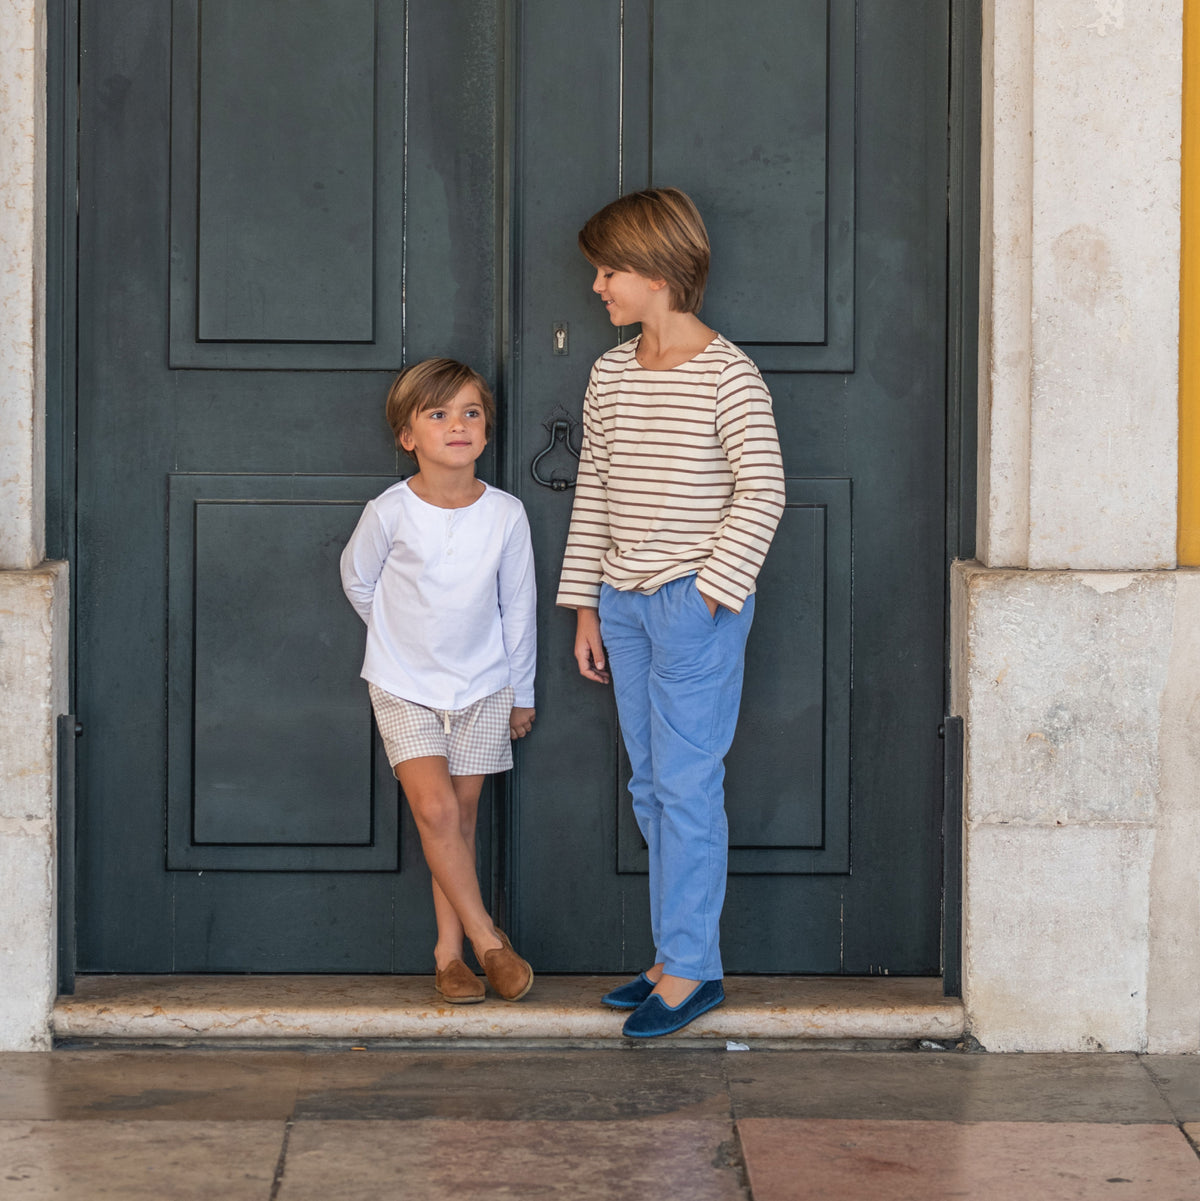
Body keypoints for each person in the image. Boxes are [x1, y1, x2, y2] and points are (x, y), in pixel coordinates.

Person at [557, 188, 786, 1037]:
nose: (598, 288)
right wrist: (585, 606)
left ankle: (693, 970)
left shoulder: (729, 375)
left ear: (656, 274)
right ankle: (671, 954)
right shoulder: (611, 372)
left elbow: (763, 489)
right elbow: (595, 495)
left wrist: (710, 591)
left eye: (609, 271)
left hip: (693, 605)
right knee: (652, 784)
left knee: (688, 786)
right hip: (622, 604)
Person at [341, 358, 536, 1004]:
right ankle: (487, 941)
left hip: (483, 685)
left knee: (461, 817)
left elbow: (520, 608)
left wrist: (522, 691)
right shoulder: (390, 510)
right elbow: (357, 579)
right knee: (434, 808)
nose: (458, 425)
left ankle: (449, 957)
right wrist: (397, 633)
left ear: (486, 430)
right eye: (439, 414)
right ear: (408, 436)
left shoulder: (506, 515)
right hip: (403, 682)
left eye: (471, 413)